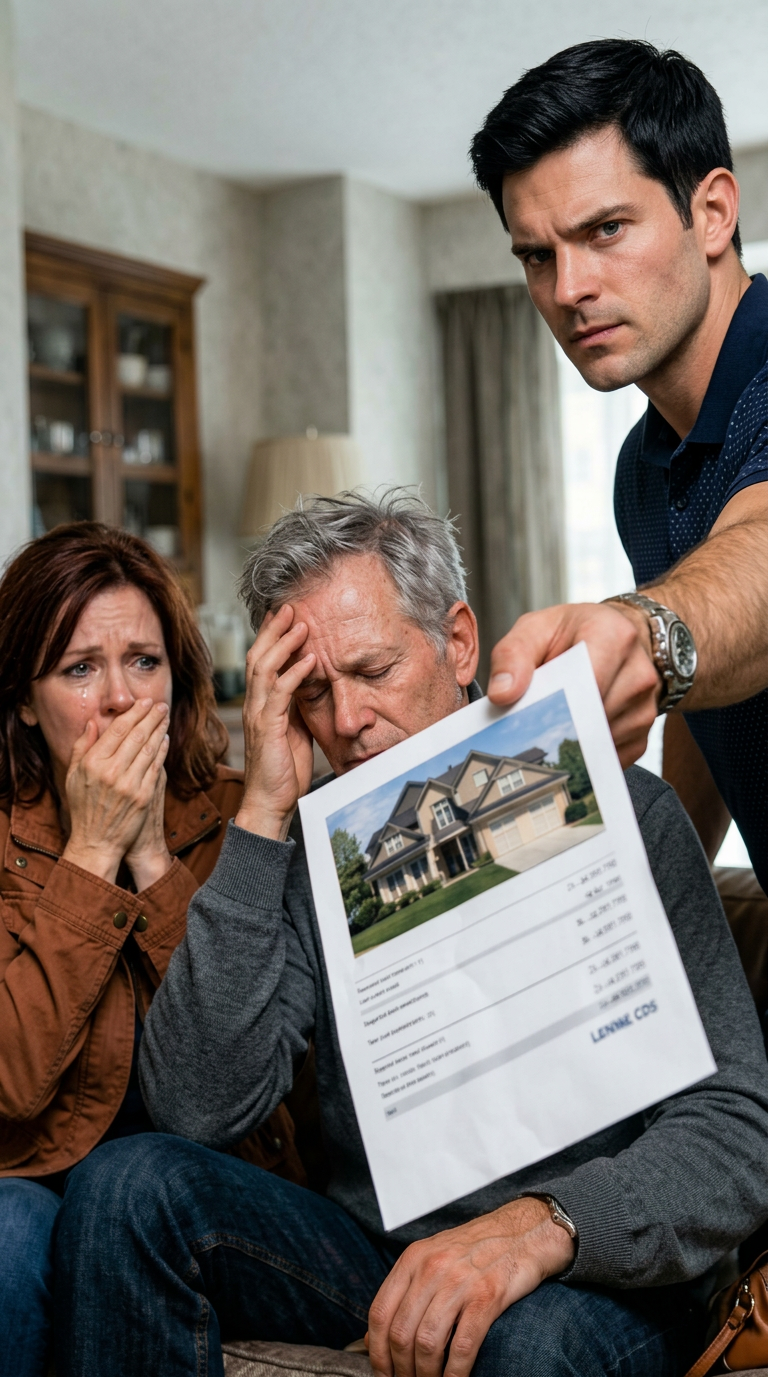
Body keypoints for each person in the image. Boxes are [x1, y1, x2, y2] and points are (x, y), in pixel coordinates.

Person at [52, 493, 768, 1377]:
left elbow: (737, 1127)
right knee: (125, 1188)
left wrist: (542, 1227)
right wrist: (267, 810)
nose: (347, 720)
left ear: (458, 642)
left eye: (373, 669)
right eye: (313, 693)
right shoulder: (317, 857)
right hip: (383, 1254)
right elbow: (199, 1104)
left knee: (523, 1343)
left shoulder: (628, 807)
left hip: (599, 1265)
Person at [0, 523, 302, 1377]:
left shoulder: (244, 818)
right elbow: (12, 1079)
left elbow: (248, 1091)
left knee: (123, 1190)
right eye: (79, 668)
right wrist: (92, 854)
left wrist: (152, 861)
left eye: (143, 661)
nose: (123, 701)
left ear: (179, 677)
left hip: (208, 1192)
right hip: (31, 1176)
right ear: (25, 700)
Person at [469, 39, 768, 891]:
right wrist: (655, 889)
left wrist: (645, 633)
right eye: (537, 254)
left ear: (710, 212)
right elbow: (719, 680)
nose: (568, 289)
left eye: (605, 230)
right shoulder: (640, 472)